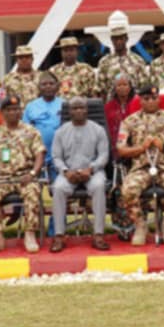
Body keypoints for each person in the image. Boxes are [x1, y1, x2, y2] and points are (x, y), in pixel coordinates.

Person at [117, 85, 164, 245]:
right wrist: (140, 148)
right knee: (128, 190)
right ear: (140, 100)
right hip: (141, 167)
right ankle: (140, 225)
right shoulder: (129, 121)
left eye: (154, 98)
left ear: (159, 99)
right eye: (146, 99)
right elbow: (121, 149)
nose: (150, 102)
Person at [0, 95, 46, 254]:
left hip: (25, 176)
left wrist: (33, 173)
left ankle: (30, 234)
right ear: (2, 113)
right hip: (2, 179)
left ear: (21, 112)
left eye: (16, 109)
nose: (13, 113)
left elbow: (40, 155)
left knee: (32, 191)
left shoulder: (31, 132)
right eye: (9, 110)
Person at [50, 96, 111, 252]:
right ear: (69, 111)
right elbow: (56, 157)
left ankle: (98, 234)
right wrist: (65, 171)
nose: (79, 111)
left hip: (92, 171)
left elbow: (104, 155)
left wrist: (91, 169)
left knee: (98, 186)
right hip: (68, 172)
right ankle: (59, 236)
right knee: (58, 188)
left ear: (87, 110)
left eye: (82, 108)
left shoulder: (98, 129)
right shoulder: (61, 132)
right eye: (75, 108)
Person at [23, 71, 64, 175]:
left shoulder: (65, 104)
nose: (48, 87)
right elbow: (25, 131)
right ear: (39, 87)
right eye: (44, 84)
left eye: (51, 84)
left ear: (57, 86)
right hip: (39, 153)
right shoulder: (31, 106)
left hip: (61, 153)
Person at [97, 25, 148, 92]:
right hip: (112, 100)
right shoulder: (104, 62)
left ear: (126, 39)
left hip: (133, 100)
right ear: (112, 40)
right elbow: (101, 88)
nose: (118, 42)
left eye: (121, 38)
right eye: (115, 39)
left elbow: (144, 86)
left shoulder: (137, 60)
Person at [105, 73, 140, 151]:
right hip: (114, 144)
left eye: (125, 85)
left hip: (135, 145)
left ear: (130, 87)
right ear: (115, 88)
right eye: (119, 85)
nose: (122, 88)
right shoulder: (108, 106)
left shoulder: (137, 104)